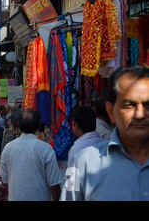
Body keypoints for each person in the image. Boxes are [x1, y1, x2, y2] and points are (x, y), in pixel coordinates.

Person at [61, 66, 149, 201]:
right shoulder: (82, 163)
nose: (140, 114)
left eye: (147, 105)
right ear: (111, 112)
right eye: (129, 105)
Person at [0, 109, 63, 201]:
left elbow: (4, 183)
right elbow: (54, 185)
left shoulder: (8, 148)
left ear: (18, 125)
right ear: (38, 126)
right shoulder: (45, 149)